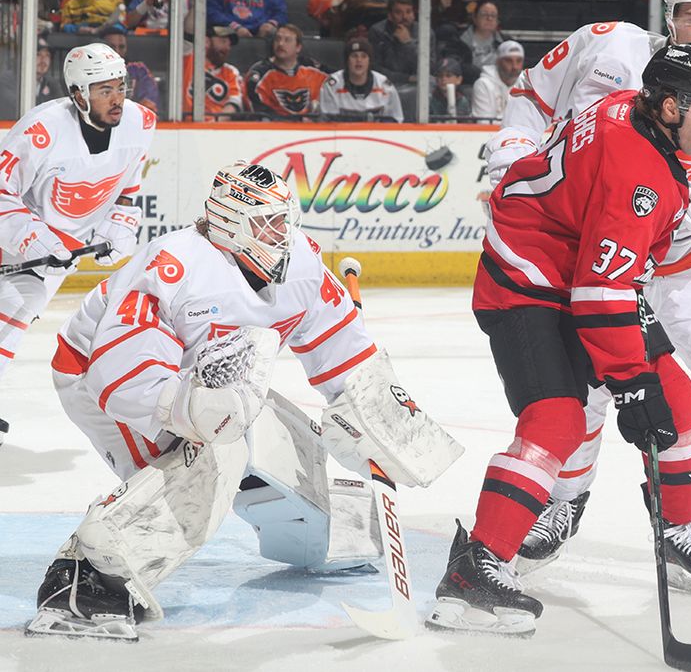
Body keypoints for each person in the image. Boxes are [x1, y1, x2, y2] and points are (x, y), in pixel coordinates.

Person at [23, 161, 441, 640]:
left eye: (286, 219)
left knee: (281, 437)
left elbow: (346, 353)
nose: (283, 233)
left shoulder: (301, 262)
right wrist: (189, 409)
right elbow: (118, 370)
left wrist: (377, 416)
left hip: (209, 382)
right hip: (102, 380)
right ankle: (87, 575)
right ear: (229, 224)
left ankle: (324, 529)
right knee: (214, 457)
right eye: (269, 222)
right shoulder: (174, 265)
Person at [486, 0, 691, 595]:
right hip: (582, 252)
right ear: (669, 17)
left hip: (678, 264)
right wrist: (511, 155)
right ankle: (563, 504)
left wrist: (671, 221)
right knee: (587, 393)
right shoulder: (605, 42)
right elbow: (532, 97)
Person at [426, 43, 691, 637]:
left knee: (679, 399)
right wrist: (631, 385)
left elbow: (614, 245)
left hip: (577, 262)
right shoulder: (637, 173)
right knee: (557, 420)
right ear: (670, 106)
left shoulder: (629, 107)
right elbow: (601, 291)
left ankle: (676, 530)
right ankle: (476, 566)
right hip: (528, 278)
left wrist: (670, 214)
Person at [0, 43, 155, 447]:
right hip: (17, 233)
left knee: (13, 322)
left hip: (59, 248)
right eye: (104, 89)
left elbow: (129, 185)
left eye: (120, 87)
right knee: (11, 312)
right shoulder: (43, 130)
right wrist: (33, 237)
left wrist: (122, 220)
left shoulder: (142, 122)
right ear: (78, 94)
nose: (117, 98)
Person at [245, 25, 330, 118]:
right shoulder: (260, 72)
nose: (281, 44)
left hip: (311, 127)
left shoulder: (312, 67)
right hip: (275, 128)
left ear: (298, 47)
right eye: (277, 39)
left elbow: (337, 82)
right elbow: (257, 110)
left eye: (287, 40)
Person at [321, 37, 404, 121]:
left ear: (369, 61)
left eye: (364, 56)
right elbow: (328, 121)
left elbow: (396, 119)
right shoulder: (332, 85)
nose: (359, 60)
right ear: (347, 60)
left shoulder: (384, 85)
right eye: (354, 56)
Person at [183, 25, 247, 118]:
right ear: (206, 41)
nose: (227, 48)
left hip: (216, 128)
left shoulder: (231, 72)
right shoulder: (187, 60)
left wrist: (215, 123)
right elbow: (188, 28)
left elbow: (234, 102)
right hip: (184, 126)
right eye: (223, 42)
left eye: (229, 44)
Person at [98, 26, 160, 114]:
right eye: (112, 47)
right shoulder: (91, 70)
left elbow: (149, 106)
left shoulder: (139, 70)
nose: (117, 51)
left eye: (121, 47)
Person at [369, 0, 426, 85]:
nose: (405, 17)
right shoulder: (377, 31)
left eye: (408, 12)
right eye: (398, 12)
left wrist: (408, 43)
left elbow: (427, 68)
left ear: (414, 14)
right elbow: (375, 68)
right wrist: (406, 78)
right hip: (386, 83)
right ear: (390, 15)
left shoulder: (424, 31)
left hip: (417, 85)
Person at [471, 39, 523, 123]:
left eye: (519, 61)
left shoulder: (526, 84)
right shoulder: (483, 84)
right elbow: (484, 124)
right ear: (498, 61)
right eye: (509, 61)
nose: (515, 66)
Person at [207, 0, 287, 39]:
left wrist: (270, 24)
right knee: (216, 32)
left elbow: (281, 13)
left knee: (280, 35)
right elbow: (212, 12)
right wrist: (235, 27)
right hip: (229, 29)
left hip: (263, 32)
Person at [459, 0, 505, 70]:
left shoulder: (505, 42)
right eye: (484, 14)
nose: (489, 18)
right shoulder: (460, 41)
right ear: (475, 18)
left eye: (493, 15)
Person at [59, 0, 125, 34]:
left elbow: (122, 20)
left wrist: (107, 29)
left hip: (109, 31)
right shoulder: (69, 1)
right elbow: (64, 27)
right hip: (81, 33)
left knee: (117, 29)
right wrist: (77, 29)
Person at [36, 38, 65, 105]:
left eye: (47, 55)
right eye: (38, 54)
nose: (43, 59)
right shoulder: (15, 81)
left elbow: (61, 108)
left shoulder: (52, 83)